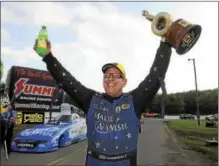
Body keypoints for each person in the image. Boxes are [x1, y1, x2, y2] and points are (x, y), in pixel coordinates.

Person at [34, 35, 172, 166]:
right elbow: (67, 81)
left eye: (116, 75)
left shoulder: (135, 100)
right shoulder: (90, 99)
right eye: (106, 75)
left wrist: (165, 43)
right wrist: (48, 57)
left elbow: (155, 76)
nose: (110, 78)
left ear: (124, 82)